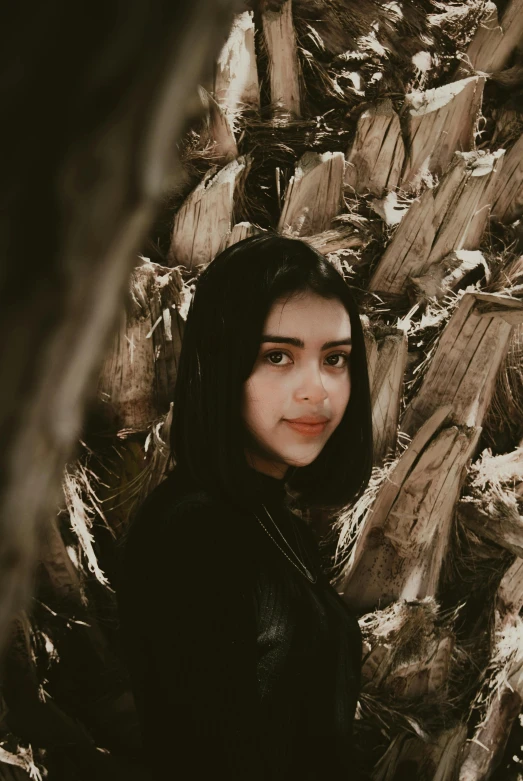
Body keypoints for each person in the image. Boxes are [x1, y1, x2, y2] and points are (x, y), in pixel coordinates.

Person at [116, 234, 373, 780]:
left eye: (336, 359)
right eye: (278, 356)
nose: (318, 390)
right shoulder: (194, 536)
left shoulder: (274, 526)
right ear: (221, 365)